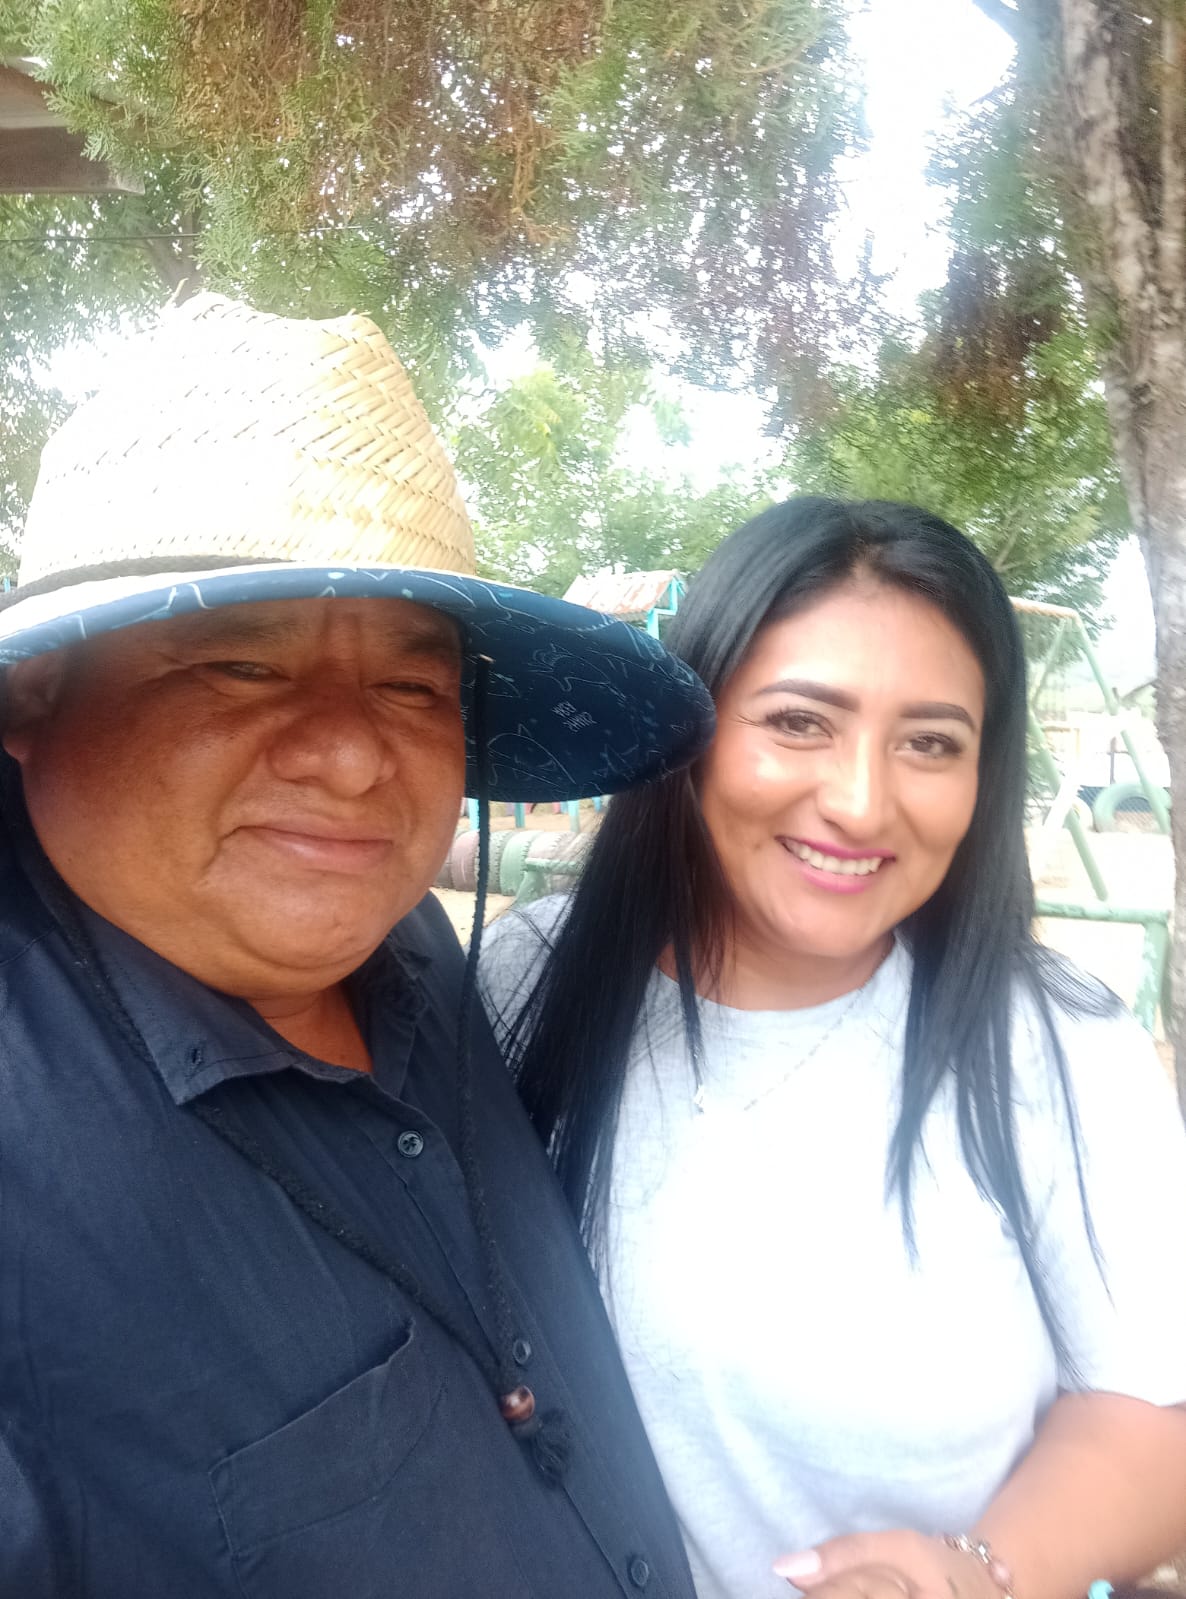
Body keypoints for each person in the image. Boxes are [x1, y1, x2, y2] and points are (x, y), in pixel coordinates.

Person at [0, 292, 715, 1598]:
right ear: (36, 694)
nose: (351, 756)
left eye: (410, 684)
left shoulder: (407, 937)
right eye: (239, 666)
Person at [480, 497, 1186, 1599]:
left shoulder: (1053, 1042)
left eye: (930, 743)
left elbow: (1154, 1404)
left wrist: (978, 1575)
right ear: (692, 729)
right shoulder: (523, 978)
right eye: (800, 722)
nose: (861, 803)